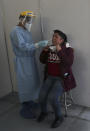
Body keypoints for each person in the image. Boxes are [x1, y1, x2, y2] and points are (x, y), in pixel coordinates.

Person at [10, 11, 49, 119]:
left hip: (30, 60)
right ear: (22, 19)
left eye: (31, 20)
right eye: (28, 20)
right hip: (23, 61)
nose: (30, 22)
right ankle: (25, 108)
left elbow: (30, 45)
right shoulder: (15, 31)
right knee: (25, 84)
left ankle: (30, 102)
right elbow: (23, 47)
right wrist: (38, 44)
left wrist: (39, 46)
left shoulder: (25, 31)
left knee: (32, 82)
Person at [37, 30, 76, 128]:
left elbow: (68, 63)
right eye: (53, 36)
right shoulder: (50, 48)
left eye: (56, 37)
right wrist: (44, 51)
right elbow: (42, 61)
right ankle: (44, 112)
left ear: (61, 40)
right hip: (49, 77)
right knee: (41, 96)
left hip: (61, 79)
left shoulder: (68, 50)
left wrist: (59, 50)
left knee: (53, 98)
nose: (53, 38)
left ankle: (59, 117)